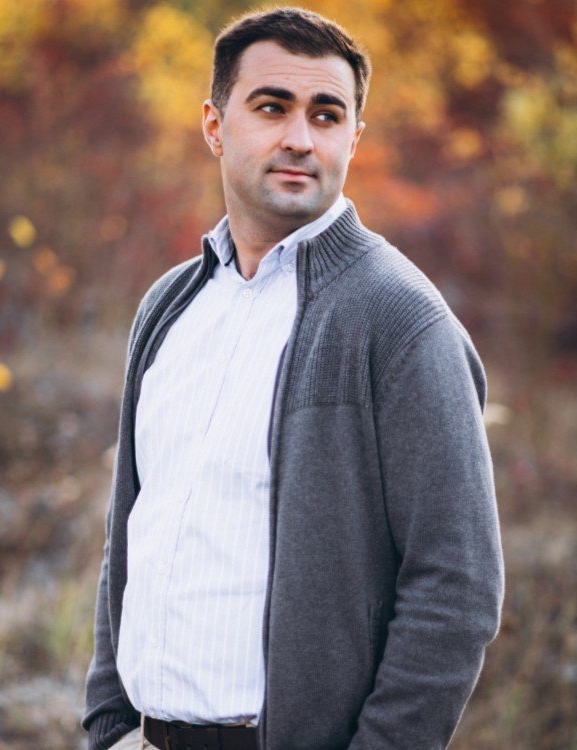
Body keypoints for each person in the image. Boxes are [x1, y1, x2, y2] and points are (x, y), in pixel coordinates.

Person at [82, 7, 504, 750]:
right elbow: (132, 536)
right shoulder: (168, 308)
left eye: (326, 115)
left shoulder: (400, 321)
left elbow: (458, 586)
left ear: (353, 138)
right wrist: (109, 724)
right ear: (215, 126)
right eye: (272, 107)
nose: (301, 139)